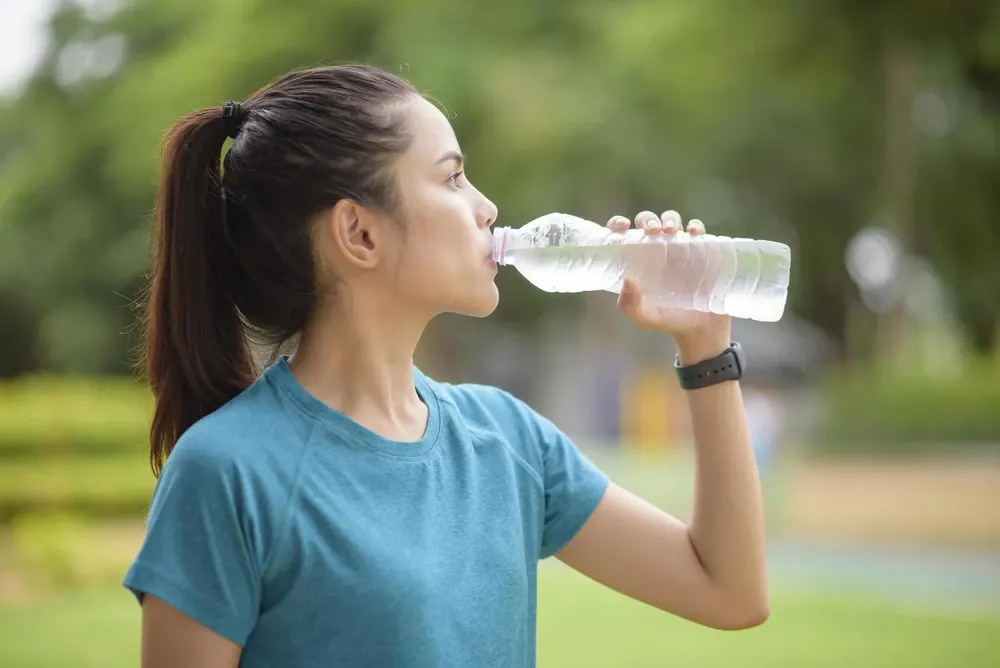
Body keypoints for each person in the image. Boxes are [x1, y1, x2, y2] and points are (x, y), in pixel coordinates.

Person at [126, 63, 768, 668]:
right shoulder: (225, 472)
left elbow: (729, 591)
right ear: (359, 234)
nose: (486, 207)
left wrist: (705, 347)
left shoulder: (509, 441)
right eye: (452, 177)